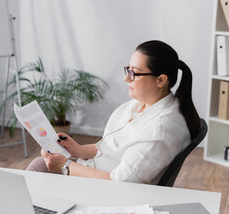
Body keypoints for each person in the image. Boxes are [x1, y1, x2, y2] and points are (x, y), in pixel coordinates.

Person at [26, 40, 201, 184]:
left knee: (37, 171)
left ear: (161, 80)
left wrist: (66, 167)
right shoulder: (138, 106)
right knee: (39, 165)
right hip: (97, 170)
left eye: (134, 73)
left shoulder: (161, 131)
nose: (126, 78)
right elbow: (110, 148)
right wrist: (77, 150)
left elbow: (121, 181)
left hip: (108, 190)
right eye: (128, 70)